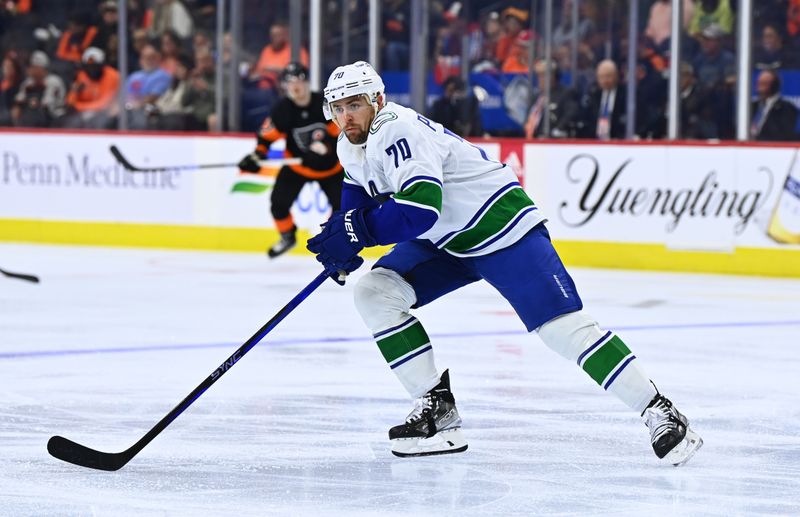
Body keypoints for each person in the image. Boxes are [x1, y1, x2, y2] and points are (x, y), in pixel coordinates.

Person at [306, 61, 703, 465]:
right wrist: (344, 244)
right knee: (375, 293)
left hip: (500, 225)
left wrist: (358, 233)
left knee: (563, 330)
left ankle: (659, 410)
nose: (345, 115)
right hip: (448, 242)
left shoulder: (396, 128)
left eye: (354, 104)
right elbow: (358, 203)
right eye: (337, 107)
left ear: (378, 100)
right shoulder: (348, 144)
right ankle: (437, 411)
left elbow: (421, 208)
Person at [238, 62, 343, 258]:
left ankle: (331, 240)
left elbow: (341, 133)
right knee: (278, 204)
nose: (295, 86)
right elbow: (267, 138)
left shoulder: (324, 104)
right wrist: (256, 156)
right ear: (285, 86)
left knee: (342, 209)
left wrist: (327, 147)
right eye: (290, 82)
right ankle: (287, 236)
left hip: (331, 169)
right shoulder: (282, 109)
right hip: (297, 167)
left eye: (299, 80)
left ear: (307, 82)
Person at [751, 69, 799, 142]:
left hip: (770, 148)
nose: (758, 88)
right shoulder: (752, 106)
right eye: (758, 83)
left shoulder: (787, 108)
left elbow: (783, 135)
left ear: (774, 85)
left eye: (763, 84)